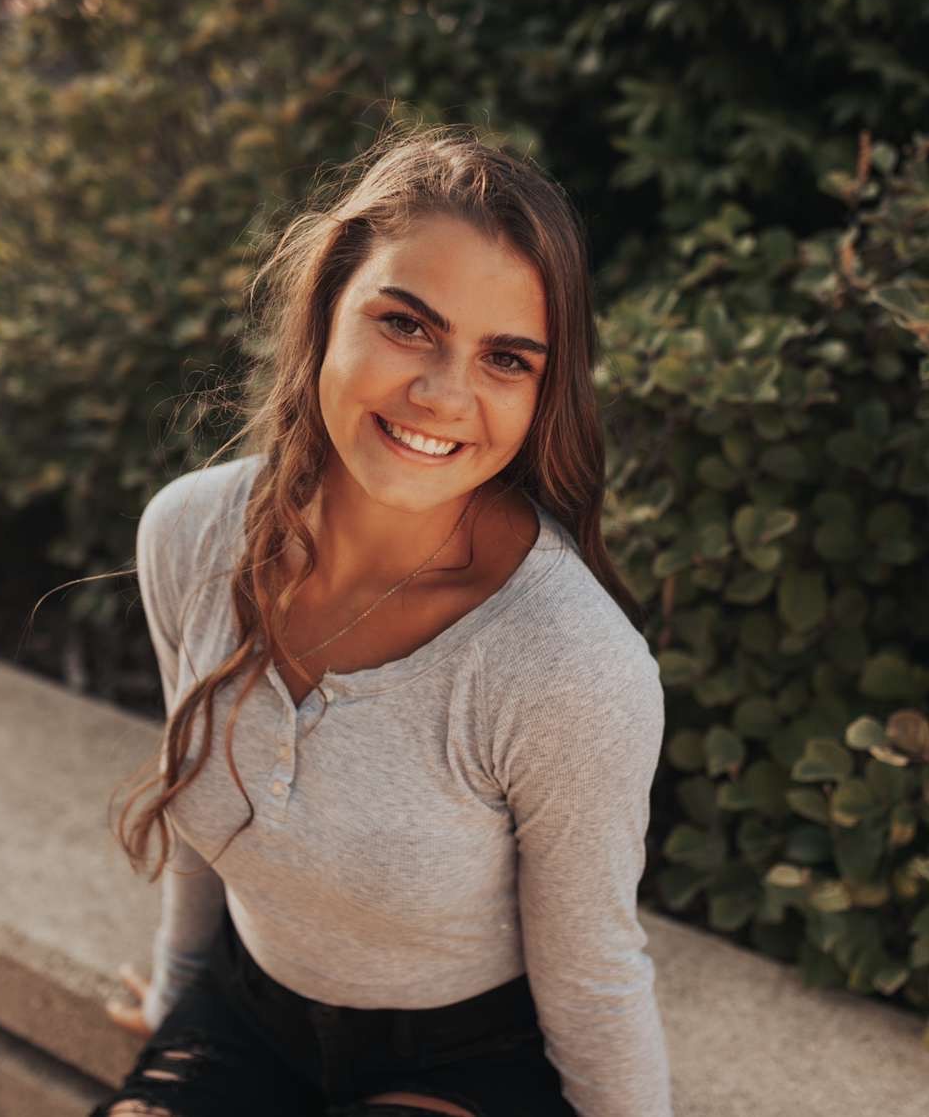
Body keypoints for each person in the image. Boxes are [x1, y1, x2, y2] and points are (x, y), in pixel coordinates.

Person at [91, 121, 673, 1117]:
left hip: (465, 1061)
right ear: (325, 313)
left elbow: (595, 978)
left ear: (542, 394)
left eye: (505, 360)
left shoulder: (567, 666)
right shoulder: (189, 535)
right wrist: (175, 1009)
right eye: (406, 324)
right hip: (245, 1011)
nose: (444, 394)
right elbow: (197, 813)